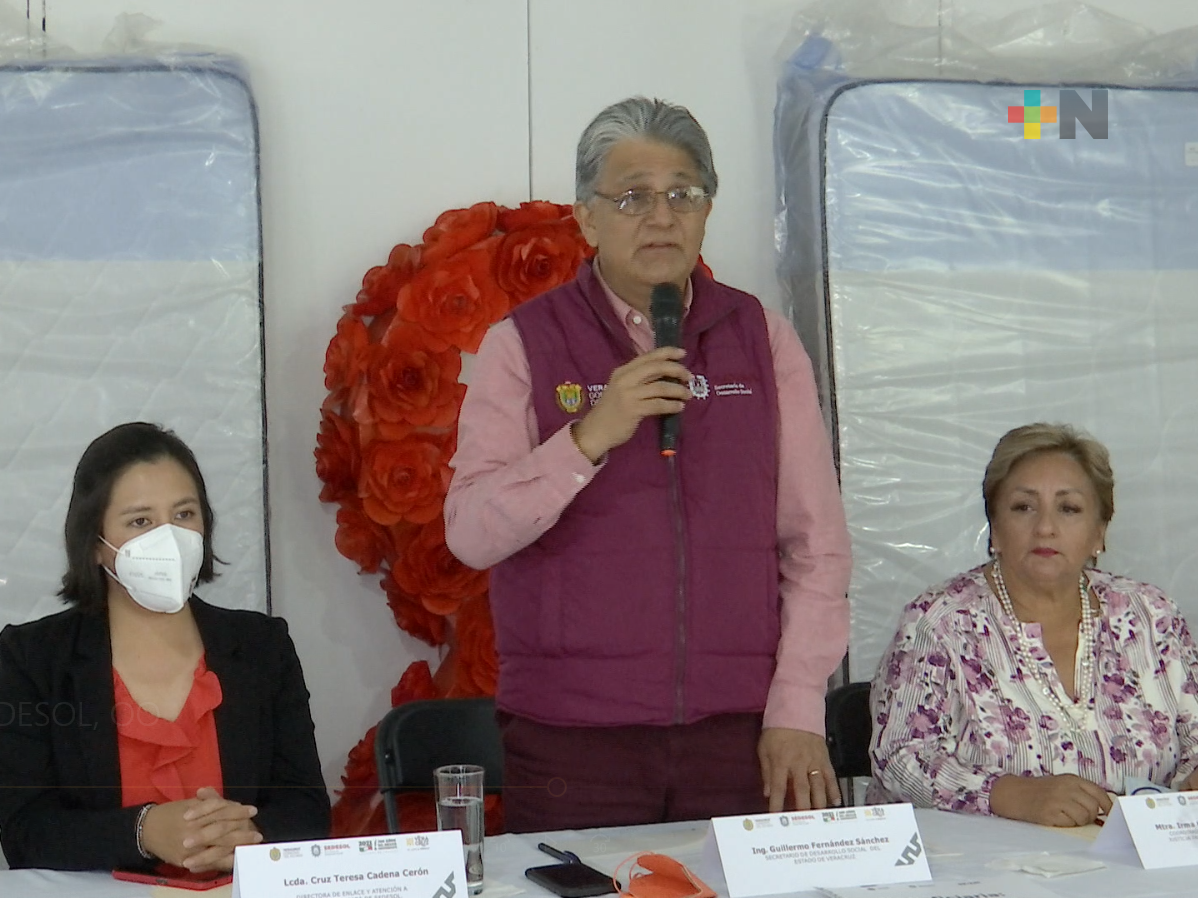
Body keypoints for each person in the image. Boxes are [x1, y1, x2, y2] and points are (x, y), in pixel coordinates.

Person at [444, 97, 852, 831]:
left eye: (682, 194)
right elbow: (471, 532)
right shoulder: (524, 344)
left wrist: (796, 706)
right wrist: (588, 436)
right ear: (588, 218)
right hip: (574, 739)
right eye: (632, 196)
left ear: (706, 209)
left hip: (740, 734)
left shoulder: (761, 338)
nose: (661, 217)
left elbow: (816, 545)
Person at [0, 422, 330, 872]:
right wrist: (145, 831)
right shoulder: (31, 658)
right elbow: (25, 833)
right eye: (141, 521)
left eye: (184, 515)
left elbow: (307, 809)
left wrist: (250, 839)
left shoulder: (262, 646)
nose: (169, 538)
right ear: (95, 545)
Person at [869, 423, 1198, 826]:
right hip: (984, 870)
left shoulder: (1151, 614)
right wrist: (1008, 794)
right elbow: (899, 758)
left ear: (1100, 532)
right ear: (994, 526)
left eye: (1069, 508)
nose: (1045, 527)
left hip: (1138, 867)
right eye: (1023, 507)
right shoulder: (938, 622)